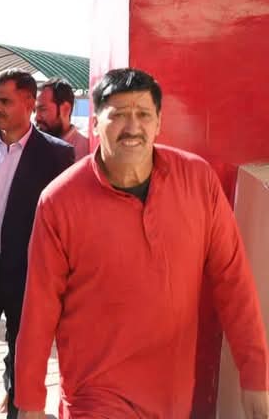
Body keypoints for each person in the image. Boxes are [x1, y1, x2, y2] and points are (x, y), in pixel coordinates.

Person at [15, 68, 269, 418]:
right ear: (95, 124)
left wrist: (255, 374)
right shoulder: (59, 200)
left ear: (159, 123)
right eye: (118, 114)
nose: (132, 127)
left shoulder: (198, 180)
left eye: (143, 114)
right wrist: (29, 400)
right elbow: (39, 307)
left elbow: (233, 281)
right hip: (94, 393)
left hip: (173, 393)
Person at [0, 69, 74, 419]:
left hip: (27, 274)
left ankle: (16, 412)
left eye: (5, 101)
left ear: (28, 102)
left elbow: (63, 223)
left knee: (22, 354)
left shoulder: (57, 155)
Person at [34, 77, 90, 159]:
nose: (36, 118)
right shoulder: (33, 146)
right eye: (35, 110)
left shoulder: (87, 150)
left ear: (65, 109)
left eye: (43, 109)